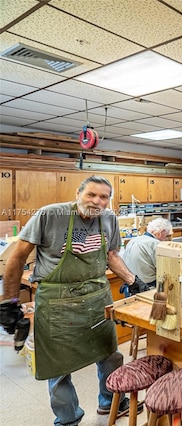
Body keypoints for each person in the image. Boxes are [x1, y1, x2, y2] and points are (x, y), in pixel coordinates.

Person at [0, 175, 146, 425]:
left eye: (104, 197)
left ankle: (110, 401)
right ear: (78, 194)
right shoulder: (50, 215)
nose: (97, 201)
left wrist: (133, 280)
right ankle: (68, 419)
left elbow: (111, 256)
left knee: (110, 354)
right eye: (91, 194)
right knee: (57, 367)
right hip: (58, 302)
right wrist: (9, 301)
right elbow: (16, 257)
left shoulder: (109, 219)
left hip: (98, 298)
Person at [120, 217, 173, 294]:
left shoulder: (133, 240)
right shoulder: (155, 244)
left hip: (130, 287)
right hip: (146, 288)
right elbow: (165, 270)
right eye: (166, 236)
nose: (167, 239)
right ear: (160, 233)